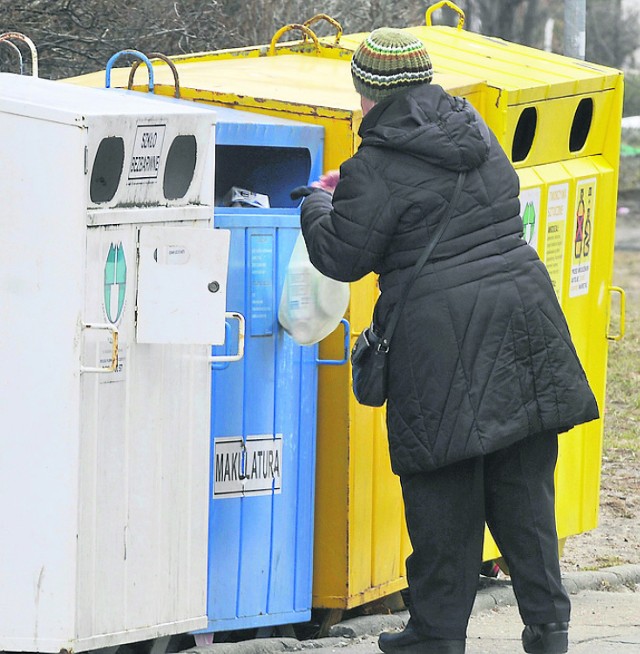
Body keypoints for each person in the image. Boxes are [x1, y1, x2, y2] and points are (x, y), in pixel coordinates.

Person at [294, 28, 599, 654]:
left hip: (441, 339)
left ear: (370, 94)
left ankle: (435, 634)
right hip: (524, 319)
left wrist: (317, 203)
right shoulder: (475, 131)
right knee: (523, 489)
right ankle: (549, 627)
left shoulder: (372, 165)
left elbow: (342, 256)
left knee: (443, 492)